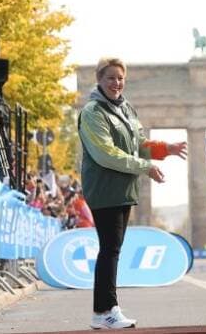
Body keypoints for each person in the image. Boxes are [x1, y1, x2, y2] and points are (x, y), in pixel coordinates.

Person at [79, 57, 188, 329]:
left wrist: (166, 149)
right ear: (99, 80)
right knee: (110, 249)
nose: (116, 83)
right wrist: (145, 167)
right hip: (104, 188)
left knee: (112, 249)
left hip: (123, 189)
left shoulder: (126, 108)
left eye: (120, 78)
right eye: (110, 78)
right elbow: (106, 154)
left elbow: (139, 144)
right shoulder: (93, 112)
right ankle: (105, 310)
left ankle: (105, 310)